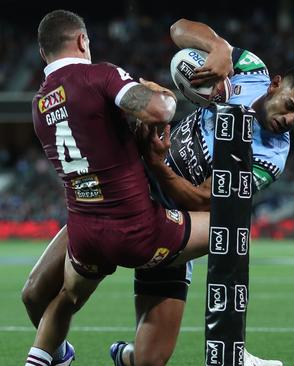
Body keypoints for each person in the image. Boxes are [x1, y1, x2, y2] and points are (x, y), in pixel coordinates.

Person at [22, 17, 294, 366]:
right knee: (34, 294)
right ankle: (59, 353)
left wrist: (157, 165)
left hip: (174, 224)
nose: (289, 121)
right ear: (275, 84)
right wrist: (219, 47)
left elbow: (205, 200)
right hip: (124, 196)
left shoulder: (271, 155)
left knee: (149, 360)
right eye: (290, 107)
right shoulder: (249, 72)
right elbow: (179, 29)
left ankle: (138, 354)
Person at [24, 10, 213, 366]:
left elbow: (94, 138)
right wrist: (164, 94)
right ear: (82, 40)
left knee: (65, 299)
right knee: (233, 229)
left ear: (42, 52)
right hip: (137, 229)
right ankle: (234, 350)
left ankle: (47, 359)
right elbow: (159, 110)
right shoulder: (100, 76)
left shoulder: (38, 105)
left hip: (85, 234)